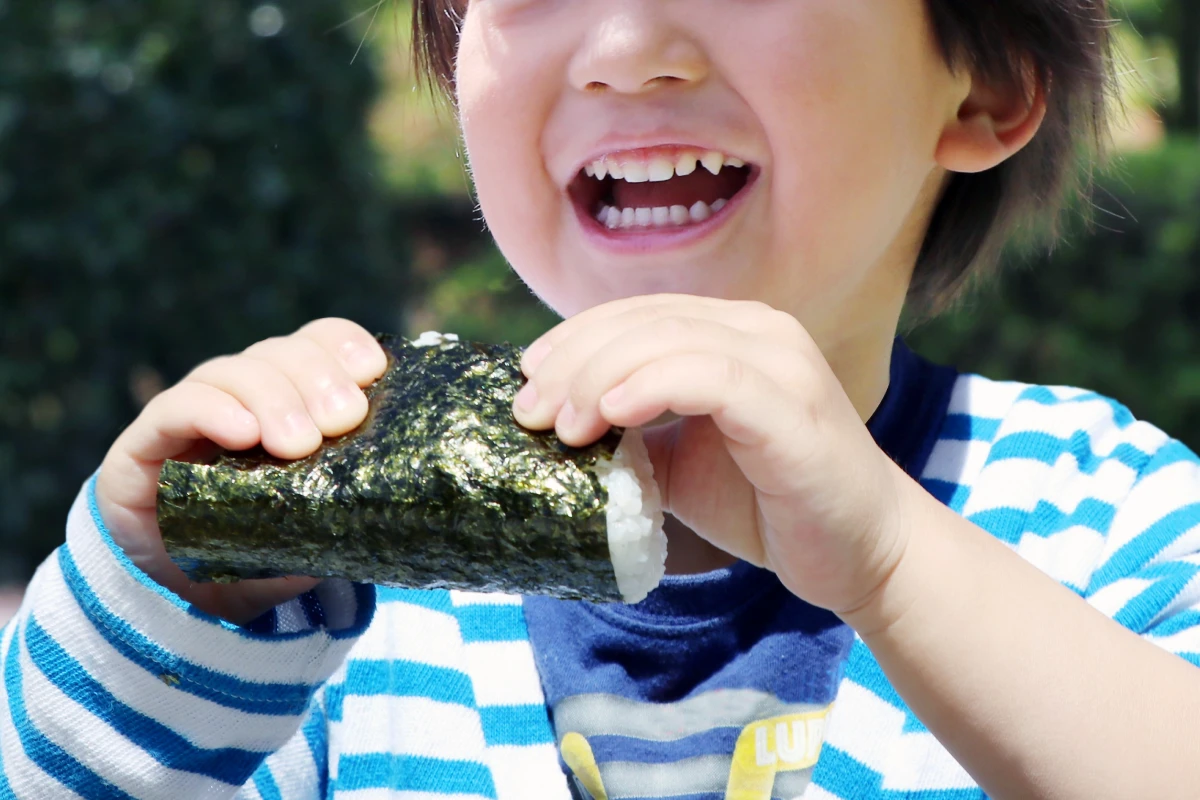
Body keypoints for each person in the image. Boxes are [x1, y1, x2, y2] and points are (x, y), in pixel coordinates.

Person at [4, 0, 1199, 798]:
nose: (626, 46)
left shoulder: (1102, 512)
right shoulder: (329, 591)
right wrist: (167, 592)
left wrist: (887, 561)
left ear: (986, 83)